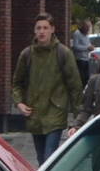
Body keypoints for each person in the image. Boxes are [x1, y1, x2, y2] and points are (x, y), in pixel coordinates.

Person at [14, 13, 82, 161]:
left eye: (45, 28)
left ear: (52, 29)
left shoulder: (63, 53)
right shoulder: (27, 55)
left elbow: (75, 86)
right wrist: (19, 103)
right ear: (34, 30)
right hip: (35, 114)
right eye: (38, 28)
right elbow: (17, 83)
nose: (42, 31)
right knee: (41, 159)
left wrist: (78, 120)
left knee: (49, 157)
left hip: (55, 114)